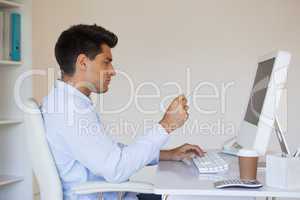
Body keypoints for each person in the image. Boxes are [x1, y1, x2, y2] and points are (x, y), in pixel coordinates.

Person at [41, 24, 204, 200]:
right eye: (106, 62)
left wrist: (168, 154)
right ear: (82, 62)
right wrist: (166, 125)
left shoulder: (66, 102)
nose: (113, 71)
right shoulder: (69, 110)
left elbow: (109, 153)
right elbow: (116, 169)